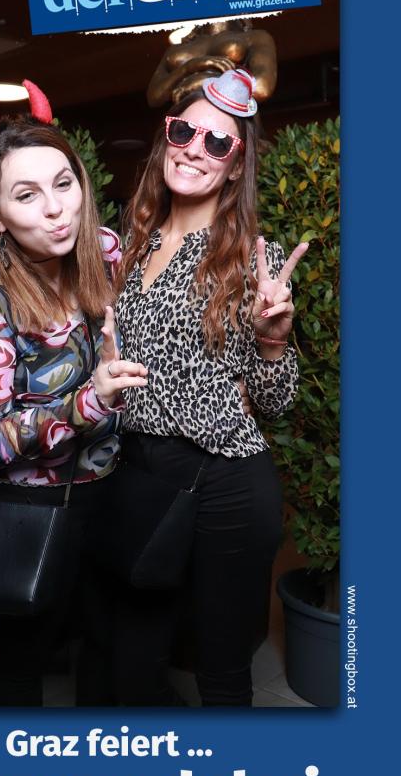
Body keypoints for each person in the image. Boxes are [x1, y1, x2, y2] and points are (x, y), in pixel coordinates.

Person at [102, 68, 308, 707]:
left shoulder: (252, 257)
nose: (195, 149)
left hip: (226, 481)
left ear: (235, 163)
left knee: (220, 670)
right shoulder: (133, 243)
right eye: (184, 132)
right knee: (131, 664)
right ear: (166, 136)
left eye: (217, 142)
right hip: (142, 472)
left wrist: (272, 342)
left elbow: (275, 403)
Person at [0, 80, 147, 706]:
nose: (56, 209)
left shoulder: (105, 254)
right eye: (26, 195)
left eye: (64, 184)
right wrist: (90, 402)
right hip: (23, 511)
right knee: (19, 663)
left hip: (108, 493)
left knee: (108, 648)